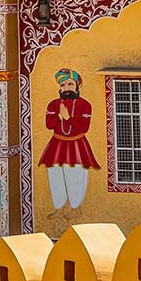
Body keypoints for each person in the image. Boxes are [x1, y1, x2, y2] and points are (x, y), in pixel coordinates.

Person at [39, 67, 97, 210]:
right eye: (62, 85)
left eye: (70, 84)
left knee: (76, 177)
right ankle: (59, 208)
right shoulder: (53, 105)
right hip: (56, 145)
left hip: (77, 146)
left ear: (78, 85)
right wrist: (59, 116)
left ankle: (74, 208)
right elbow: (49, 124)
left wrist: (68, 118)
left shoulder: (85, 105)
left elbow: (83, 127)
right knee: (55, 177)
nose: (66, 88)